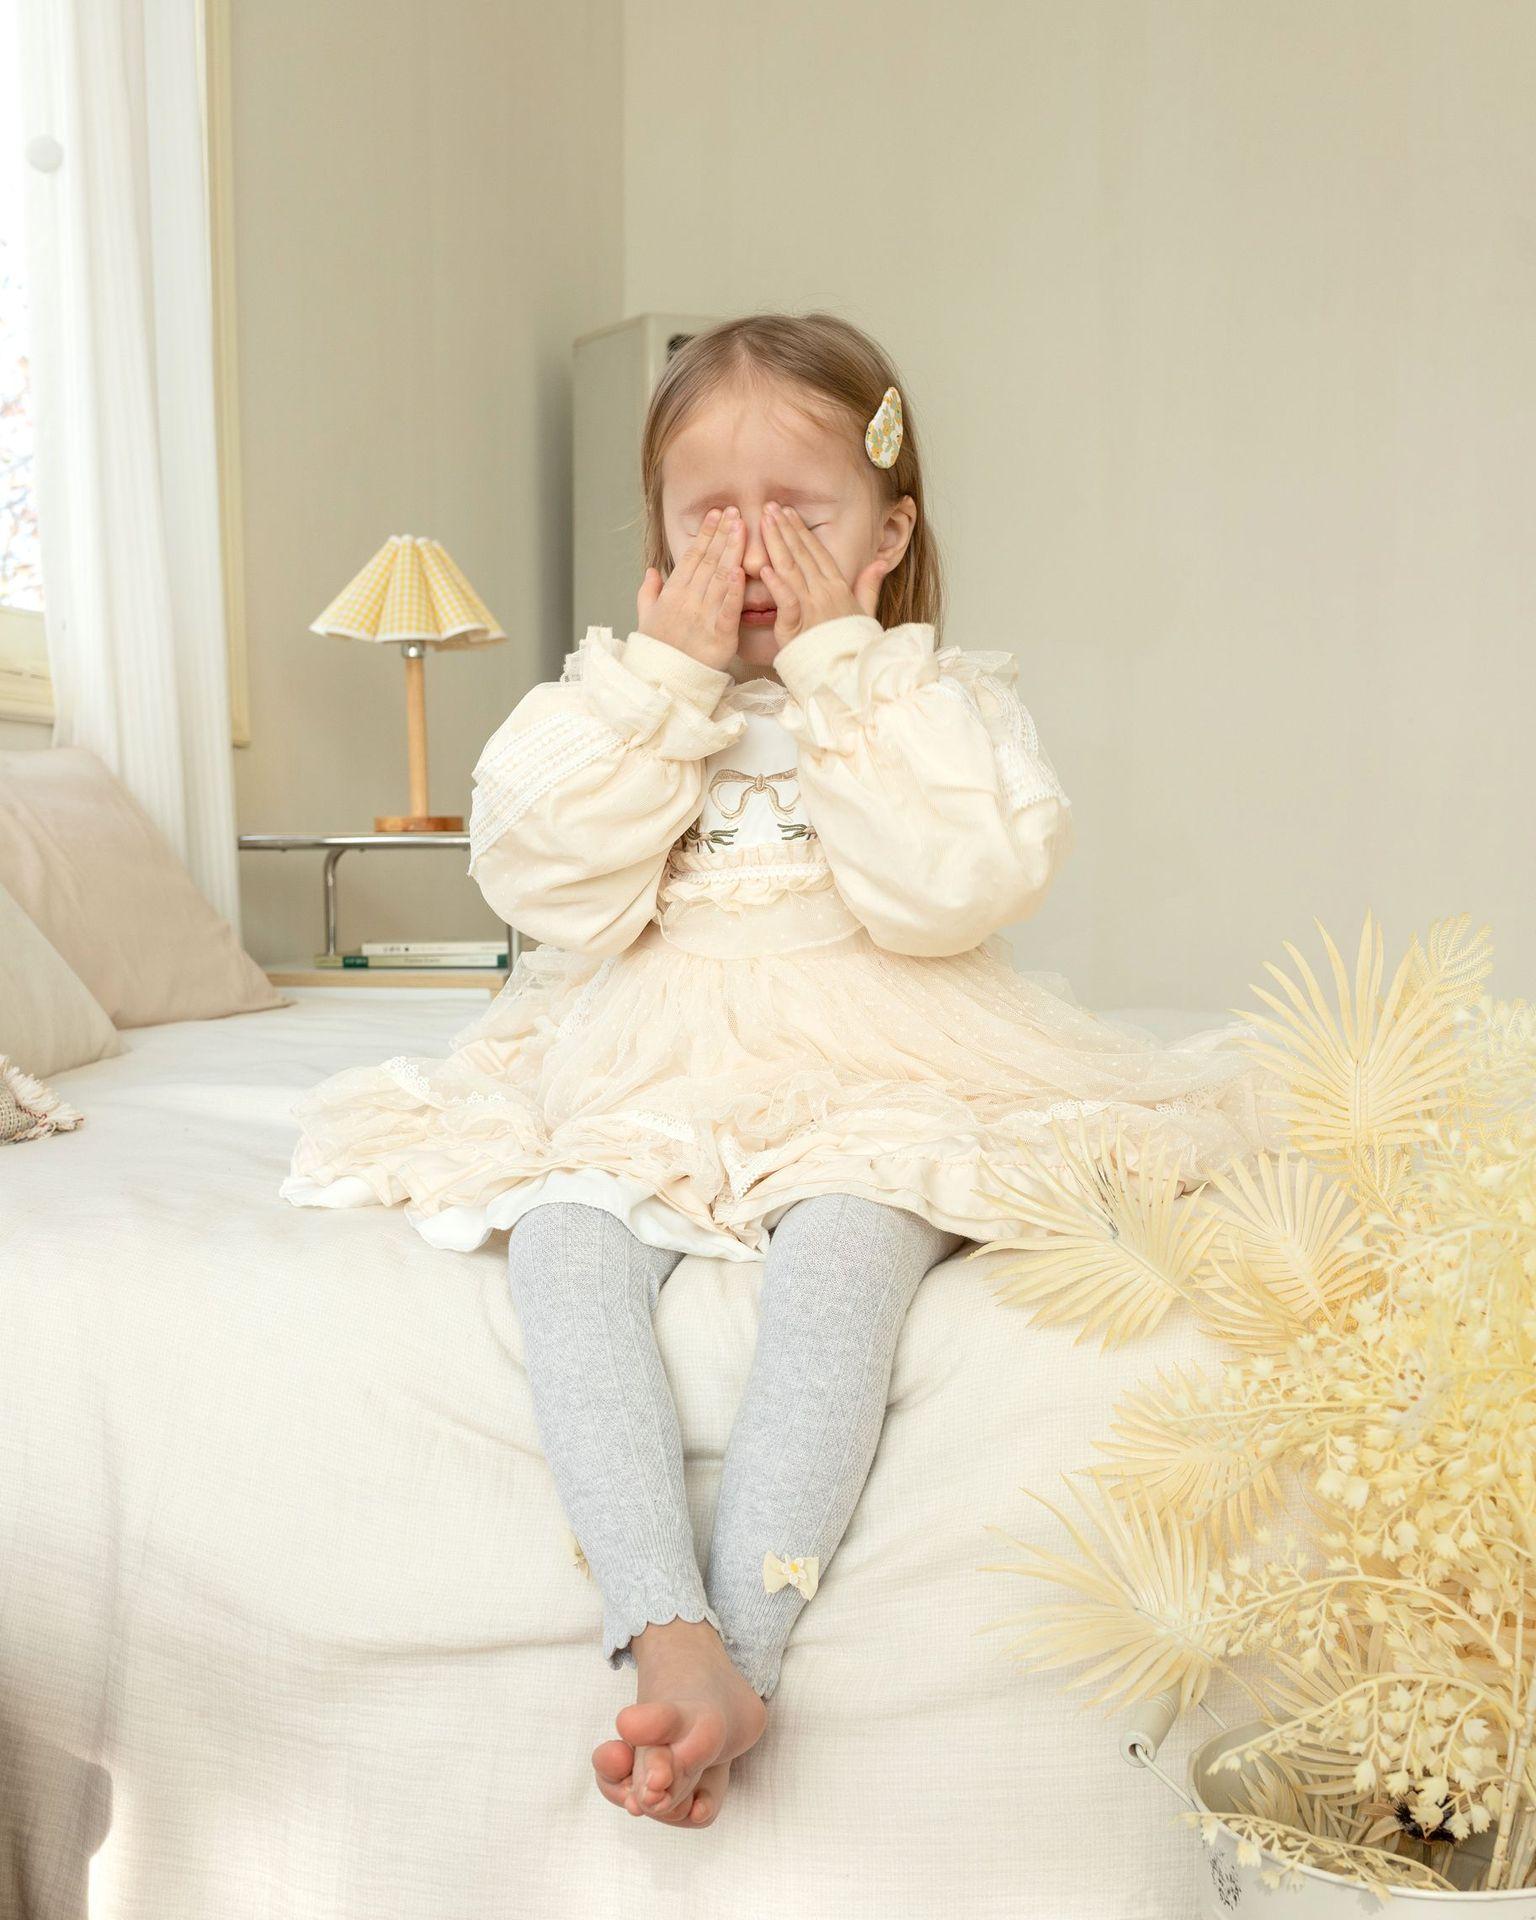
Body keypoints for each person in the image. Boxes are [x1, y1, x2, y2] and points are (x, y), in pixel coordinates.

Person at [281, 311, 1283, 1831]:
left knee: (846, 1245)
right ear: (657, 541)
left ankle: (737, 1654)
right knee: (563, 1240)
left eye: (800, 515)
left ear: (888, 538)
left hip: (881, 1050)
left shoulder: (931, 703)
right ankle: (661, 1624)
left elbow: (946, 890)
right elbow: (549, 886)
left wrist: (835, 672)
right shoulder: (611, 705)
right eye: (709, 518)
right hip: (650, 1058)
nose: (750, 552)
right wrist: (664, 691)